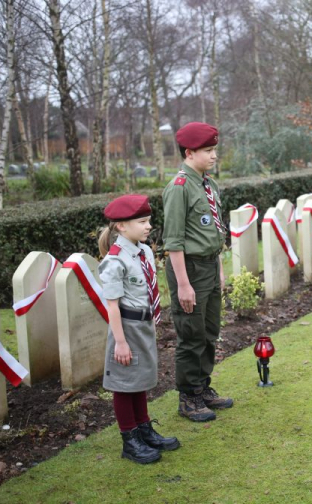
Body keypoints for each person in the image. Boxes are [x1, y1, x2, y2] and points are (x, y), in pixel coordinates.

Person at [98, 194, 180, 465]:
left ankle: (144, 430)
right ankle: (130, 440)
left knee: (140, 381)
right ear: (121, 226)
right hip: (126, 327)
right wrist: (120, 342)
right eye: (142, 221)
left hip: (143, 324)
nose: (148, 226)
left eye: (149, 221)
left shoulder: (143, 250)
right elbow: (112, 307)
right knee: (124, 384)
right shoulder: (114, 260)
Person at [162, 122, 233, 423]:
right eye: (208, 150)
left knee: (209, 331)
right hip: (188, 269)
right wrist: (183, 284)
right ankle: (188, 397)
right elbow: (174, 241)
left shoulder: (208, 184)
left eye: (215, 149)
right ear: (189, 153)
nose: (214, 155)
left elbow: (212, 232)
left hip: (208, 265)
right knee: (191, 334)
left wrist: (217, 270)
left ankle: (202, 387)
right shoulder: (179, 188)